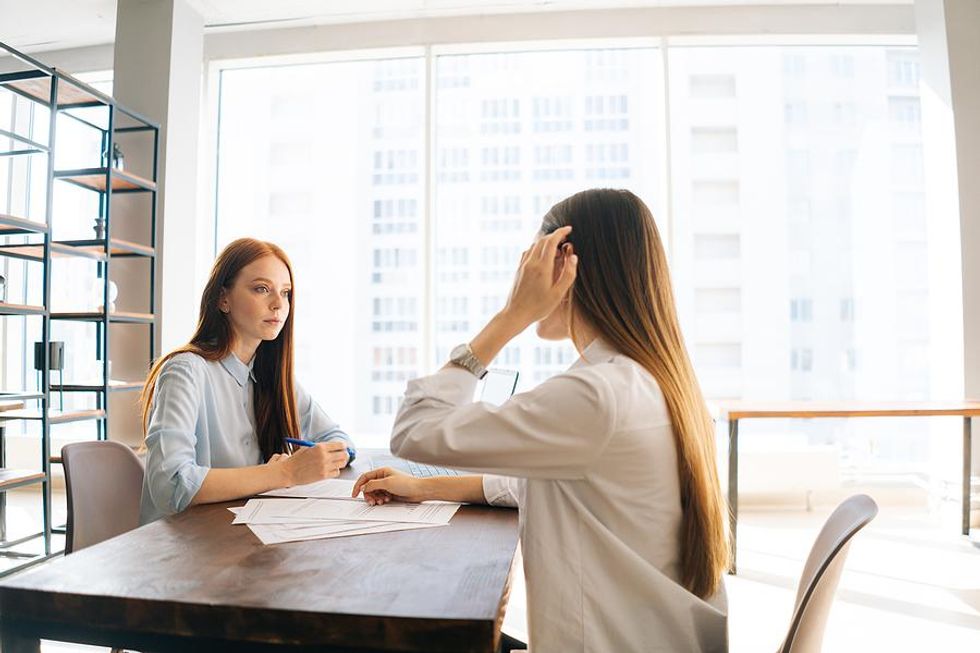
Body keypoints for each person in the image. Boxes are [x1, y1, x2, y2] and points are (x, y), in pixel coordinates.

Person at [353, 189, 729, 652]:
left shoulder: (596, 396)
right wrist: (422, 486)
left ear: (563, 262)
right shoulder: (647, 379)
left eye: (533, 258)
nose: (521, 274)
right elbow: (529, 484)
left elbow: (414, 429)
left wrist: (513, 314)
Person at [139, 237, 356, 524]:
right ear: (223, 299)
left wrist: (322, 459)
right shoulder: (185, 371)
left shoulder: (273, 377)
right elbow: (171, 485)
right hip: (178, 548)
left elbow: (339, 441)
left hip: (237, 536)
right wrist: (285, 472)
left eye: (286, 293)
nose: (279, 304)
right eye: (262, 289)